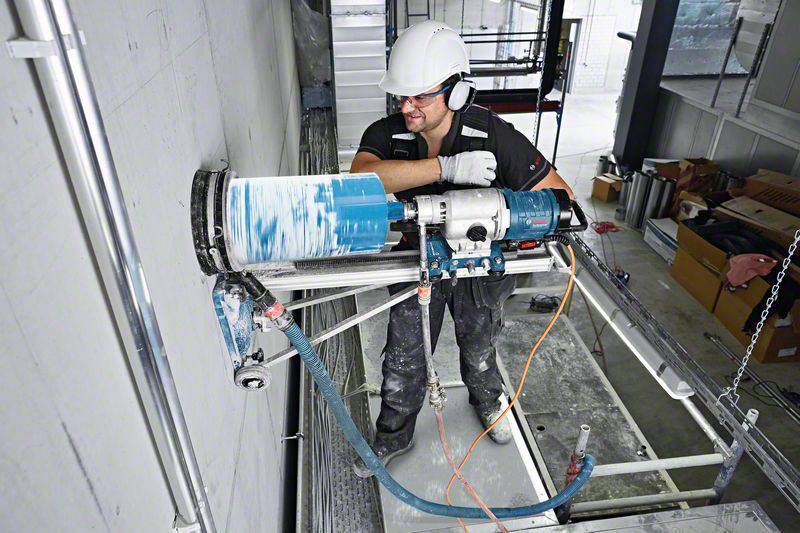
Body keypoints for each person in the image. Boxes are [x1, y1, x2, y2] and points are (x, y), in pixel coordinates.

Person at [351, 20, 573, 478]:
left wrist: (507, 212)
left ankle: (488, 402)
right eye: (402, 96)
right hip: (416, 261)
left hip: (481, 265)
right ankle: (393, 434)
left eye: (420, 96)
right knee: (405, 355)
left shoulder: (493, 134)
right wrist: (445, 167)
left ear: (455, 92)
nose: (406, 107)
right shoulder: (389, 134)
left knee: (480, 344)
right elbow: (361, 179)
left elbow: (559, 196)